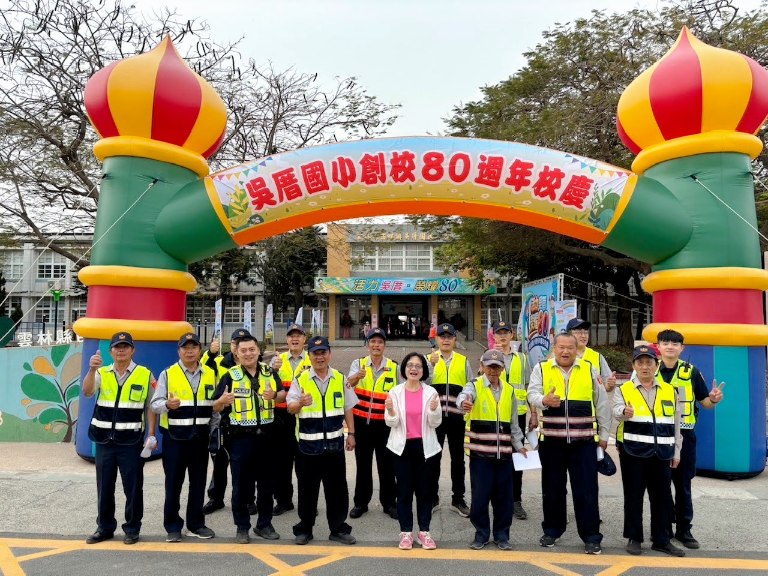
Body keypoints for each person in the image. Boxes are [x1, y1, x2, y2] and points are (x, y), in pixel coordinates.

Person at [527, 332, 611, 555]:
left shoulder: (589, 369)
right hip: (551, 442)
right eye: (561, 347)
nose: (565, 351)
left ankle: (591, 536)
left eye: (570, 348)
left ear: (576, 349)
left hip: (584, 443)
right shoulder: (541, 368)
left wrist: (604, 435)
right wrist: (543, 400)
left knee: (587, 490)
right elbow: (531, 393)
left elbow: (602, 403)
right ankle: (552, 530)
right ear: (554, 349)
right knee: (552, 489)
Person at [82, 331, 157, 545]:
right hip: (104, 440)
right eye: (117, 347)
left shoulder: (145, 374)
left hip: (131, 441)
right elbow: (87, 391)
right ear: (111, 351)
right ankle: (104, 528)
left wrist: (151, 435)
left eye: (125, 347)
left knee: (132, 488)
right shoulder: (101, 372)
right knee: (104, 487)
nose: (121, 350)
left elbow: (151, 406)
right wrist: (91, 369)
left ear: (133, 350)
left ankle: (132, 528)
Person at [656, 329, 724, 549]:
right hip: (656, 435)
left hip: (684, 435)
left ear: (682, 348)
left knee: (683, 484)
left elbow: (705, 403)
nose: (670, 346)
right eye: (665, 342)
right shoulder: (648, 368)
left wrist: (714, 399)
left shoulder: (691, 372)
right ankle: (664, 528)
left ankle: (684, 530)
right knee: (660, 484)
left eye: (675, 343)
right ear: (658, 346)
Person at [614, 344, 685, 557]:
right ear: (634, 365)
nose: (645, 367)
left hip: (662, 453)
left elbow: (677, 424)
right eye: (640, 362)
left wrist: (677, 451)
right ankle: (634, 538)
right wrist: (623, 412)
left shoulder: (670, 390)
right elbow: (616, 412)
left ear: (656, 365)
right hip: (633, 452)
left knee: (662, 497)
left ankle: (662, 540)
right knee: (633, 496)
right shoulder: (623, 389)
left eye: (649, 362)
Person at [286, 336, 358, 545]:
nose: (320, 357)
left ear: (329, 354)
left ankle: (338, 529)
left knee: (337, 490)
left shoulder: (340, 378)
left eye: (323, 352)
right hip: (307, 448)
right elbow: (290, 408)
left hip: (334, 447)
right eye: (315, 353)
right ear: (309, 356)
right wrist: (300, 403)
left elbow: (348, 407)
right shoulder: (300, 380)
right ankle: (305, 529)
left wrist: (351, 434)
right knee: (307, 491)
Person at [212, 334, 282, 544]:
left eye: (252, 349)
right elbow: (215, 406)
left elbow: (283, 395)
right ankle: (242, 527)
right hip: (240, 438)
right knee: (241, 485)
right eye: (243, 350)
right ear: (236, 353)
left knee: (266, 485)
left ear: (259, 351)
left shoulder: (269, 372)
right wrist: (222, 401)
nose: (248, 354)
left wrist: (274, 396)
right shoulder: (230, 376)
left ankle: (264, 524)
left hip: (267, 437)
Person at [459, 349, 528, 550]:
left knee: (504, 499)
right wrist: (464, 403)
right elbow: (464, 396)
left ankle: (502, 535)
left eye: (497, 367)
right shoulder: (474, 386)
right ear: (482, 367)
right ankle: (481, 534)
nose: (493, 371)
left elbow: (514, 424)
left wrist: (520, 446)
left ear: (502, 369)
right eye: (489, 366)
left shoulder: (509, 390)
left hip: (504, 454)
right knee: (480, 498)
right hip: (480, 454)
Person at [151, 332, 217, 542]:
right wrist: (166, 405)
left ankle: (196, 524)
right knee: (173, 484)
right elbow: (154, 404)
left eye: (193, 347)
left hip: (200, 439)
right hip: (175, 439)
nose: (189, 351)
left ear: (200, 350)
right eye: (185, 348)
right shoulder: (168, 374)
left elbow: (214, 408)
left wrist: (214, 433)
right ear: (178, 351)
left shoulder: (210, 374)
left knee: (198, 483)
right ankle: (172, 526)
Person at [385, 352, 442, 550]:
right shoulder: (395, 392)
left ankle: (424, 532)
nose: (414, 369)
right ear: (404, 369)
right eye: (410, 365)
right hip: (401, 449)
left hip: (426, 449)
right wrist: (391, 411)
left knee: (425, 492)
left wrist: (434, 409)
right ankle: (406, 532)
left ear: (423, 370)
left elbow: (435, 423)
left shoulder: (431, 392)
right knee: (404, 492)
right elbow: (391, 422)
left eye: (418, 366)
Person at [347, 327, 398, 520]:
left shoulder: (394, 367)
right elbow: (347, 385)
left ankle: (389, 503)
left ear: (385, 345)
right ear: (367, 344)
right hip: (362, 424)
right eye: (373, 341)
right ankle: (361, 503)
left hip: (385, 426)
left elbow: (402, 393)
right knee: (363, 465)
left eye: (380, 342)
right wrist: (356, 377)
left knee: (387, 466)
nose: (376, 345)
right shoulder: (358, 363)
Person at [202, 328, 251, 515]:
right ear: (231, 346)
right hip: (221, 420)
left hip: (246, 422)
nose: (238, 347)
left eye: (242, 343)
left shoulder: (253, 363)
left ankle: (248, 499)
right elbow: (203, 368)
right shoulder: (219, 362)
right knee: (219, 461)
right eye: (235, 343)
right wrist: (210, 353)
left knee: (246, 464)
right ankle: (216, 498)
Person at [428, 322, 473, 516]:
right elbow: (421, 385)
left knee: (458, 460)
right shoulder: (428, 359)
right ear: (436, 339)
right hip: (434, 419)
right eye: (442, 336)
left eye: (449, 337)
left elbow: (470, 386)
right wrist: (431, 366)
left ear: (455, 339)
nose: (445, 340)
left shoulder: (463, 361)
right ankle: (432, 497)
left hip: (457, 418)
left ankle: (458, 499)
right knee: (432, 458)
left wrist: (468, 400)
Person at [492, 319, 534, 520]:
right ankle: (498, 499)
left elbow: (529, 386)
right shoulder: (489, 356)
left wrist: (534, 413)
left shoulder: (522, 358)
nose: (502, 336)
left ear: (511, 335)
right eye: (499, 333)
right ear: (493, 335)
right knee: (496, 456)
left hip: (519, 414)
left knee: (518, 455)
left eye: (505, 332)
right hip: (495, 414)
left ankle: (516, 500)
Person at [270, 323, 312, 516]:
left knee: (306, 465)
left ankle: (307, 503)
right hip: (282, 418)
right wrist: (272, 369)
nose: (294, 339)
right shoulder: (277, 361)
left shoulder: (313, 358)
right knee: (281, 463)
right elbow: (267, 387)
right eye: (291, 336)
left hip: (305, 417)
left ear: (304, 339)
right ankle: (283, 501)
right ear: (287, 340)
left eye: (298, 336)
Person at [566, 318, 617, 394]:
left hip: (590, 401)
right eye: (579, 332)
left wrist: (610, 385)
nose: (583, 336)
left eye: (586, 332)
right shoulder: (561, 356)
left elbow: (606, 387)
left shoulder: (597, 356)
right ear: (568, 335)